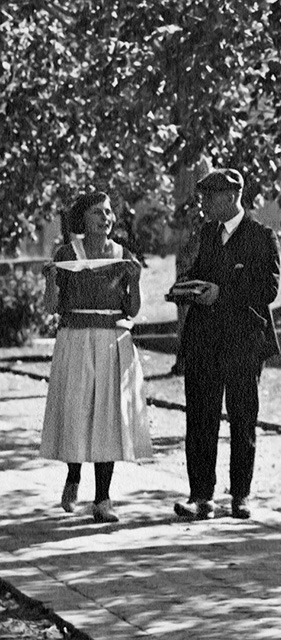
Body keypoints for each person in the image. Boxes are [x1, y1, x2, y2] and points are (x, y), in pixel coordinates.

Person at [172, 168, 280, 520]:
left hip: (243, 341)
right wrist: (186, 289)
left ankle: (241, 495)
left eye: (211, 195)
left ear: (233, 195)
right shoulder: (205, 234)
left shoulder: (261, 236)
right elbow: (199, 274)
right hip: (204, 339)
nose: (203, 203)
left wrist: (222, 293)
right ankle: (201, 496)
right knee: (200, 418)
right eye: (202, 195)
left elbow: (268, 290)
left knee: (242, 418)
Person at [40, 191, 152, 523]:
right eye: (96, 212)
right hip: (75, 339)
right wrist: (50, 281)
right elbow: (51, 307)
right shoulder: (66, 253)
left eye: (108, 212)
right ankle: (73, 475)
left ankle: (102, 499)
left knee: (109, 416)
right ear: (82, 219)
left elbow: (131, 309)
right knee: (77, 410)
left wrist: (136, 281)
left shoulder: (123, 255)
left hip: (112, 341)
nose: (105, 218)